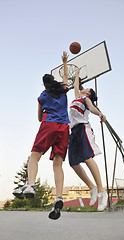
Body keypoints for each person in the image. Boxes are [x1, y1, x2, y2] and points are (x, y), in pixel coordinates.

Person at [13, 51, 70, 220]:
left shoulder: (42, 96)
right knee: (58, 164)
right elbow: (66, 77)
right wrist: (65, 62)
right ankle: (59, 196)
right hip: (64, 128)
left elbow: (39, 118)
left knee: (34, 157)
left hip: (49, 125)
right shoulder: (63, 90)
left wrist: (43, 108)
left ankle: (31, 185)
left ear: (43, 85)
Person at [68, 68, 108, 211]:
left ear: (89, 92)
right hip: (73, 131)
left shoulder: (86, 99)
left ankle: (102, 192)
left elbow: (91, 108)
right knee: (73, 162)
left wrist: (100, 114)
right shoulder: (77, 96)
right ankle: (92, 188)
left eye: (87, 88)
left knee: (87, 158)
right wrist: (77, 74)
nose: (83, 89)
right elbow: (76, 87)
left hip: (83, 128)